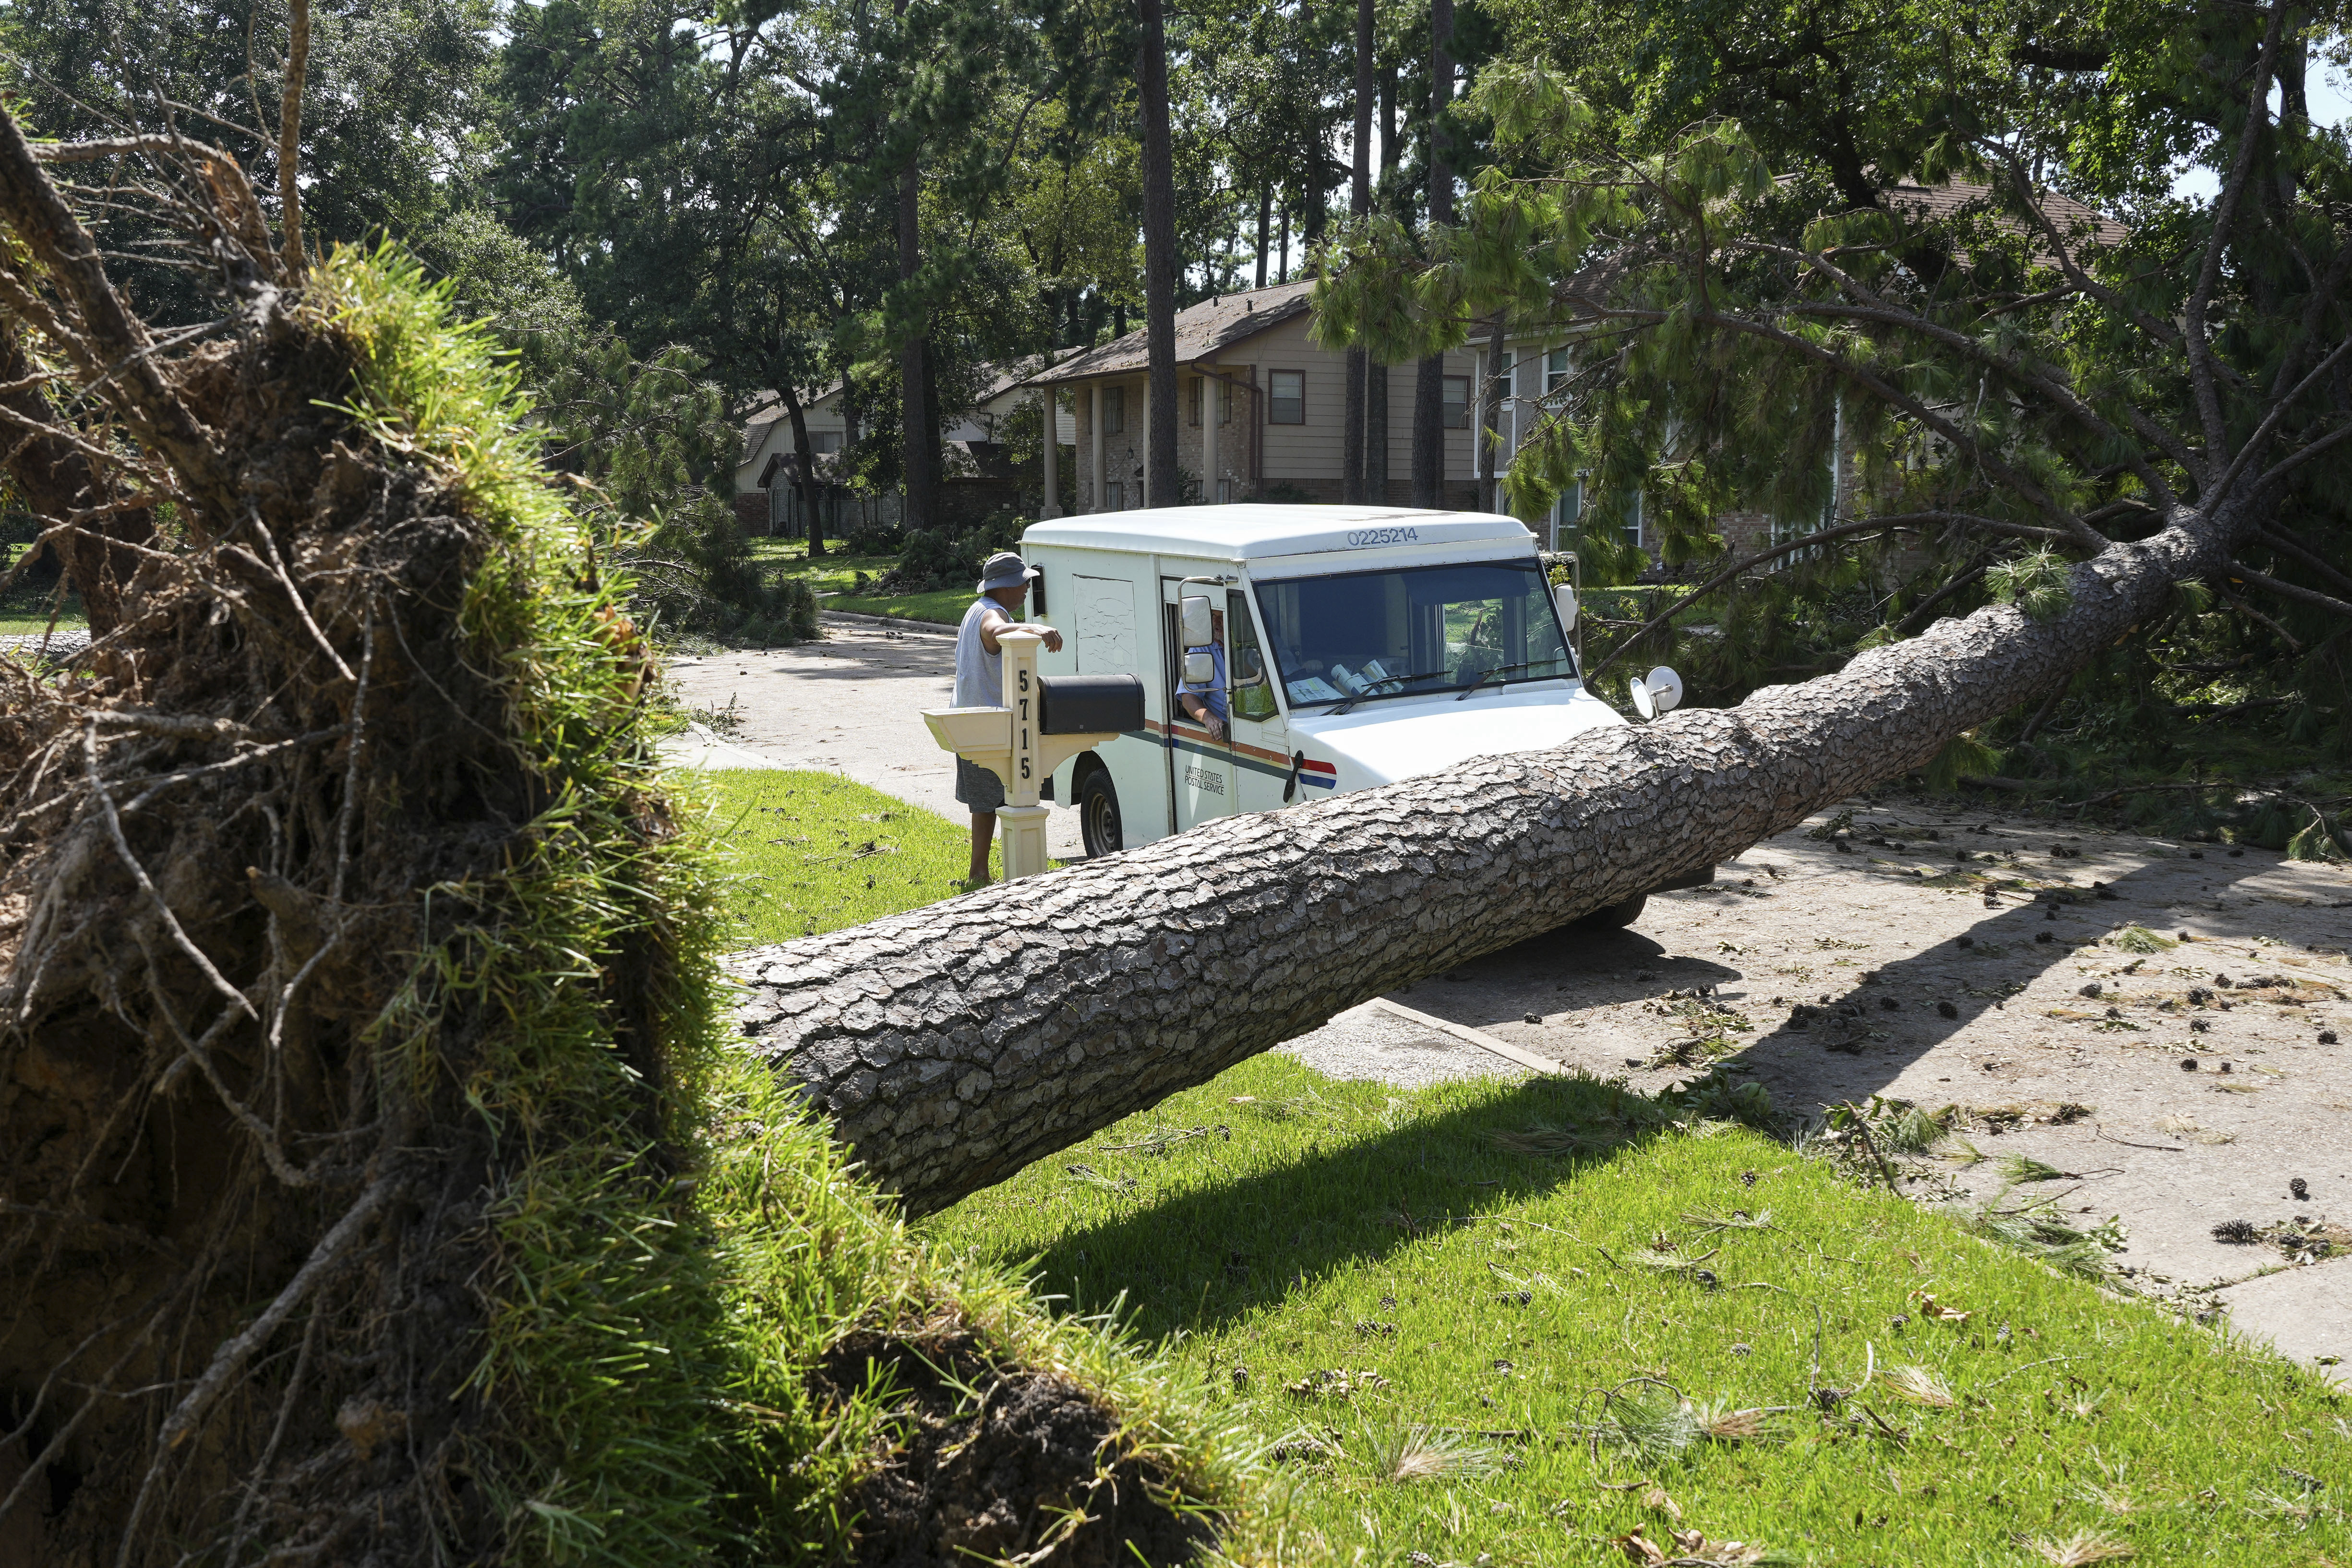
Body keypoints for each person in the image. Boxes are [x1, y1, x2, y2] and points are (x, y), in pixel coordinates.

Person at [954, 550, 1063, 885]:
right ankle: (982, 873)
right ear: (1005, 585)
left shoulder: (976, 609)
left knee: (985, 803)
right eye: (1024, 582)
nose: (1028, 588)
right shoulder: (991, 613)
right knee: (996, 800)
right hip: (986, 724)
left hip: (970, 722)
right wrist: (1037, 629)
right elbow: (996, 631)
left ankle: (980, 872)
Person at [1175, 608, 1228, 740]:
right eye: (1214, 615)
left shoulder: (1255, 642)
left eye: (1222, 616)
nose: (1217, 622)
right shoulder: (1202, 647)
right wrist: (1209, 719)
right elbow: (1188, 697)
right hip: (1226, 730)